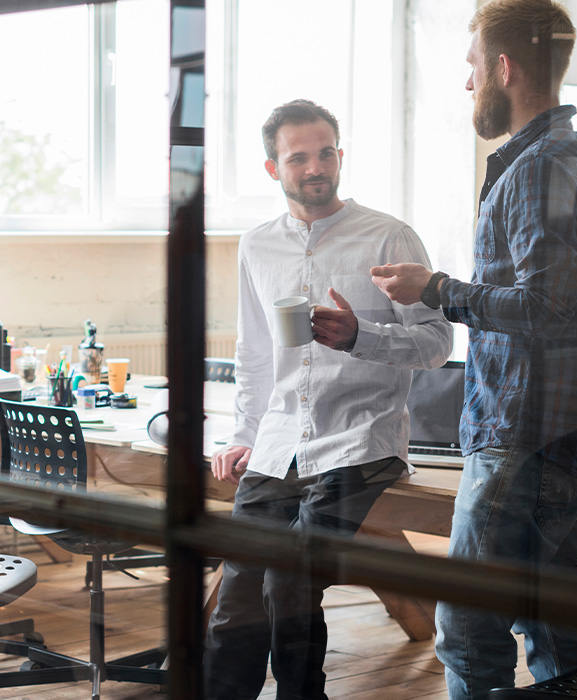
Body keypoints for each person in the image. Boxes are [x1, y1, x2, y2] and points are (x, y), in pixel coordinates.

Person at [369, 1, 577, 698]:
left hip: (524, 438)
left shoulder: (540, 168)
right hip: (560, 434)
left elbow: (544, 308)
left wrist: (436, 289)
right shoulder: (571, 160)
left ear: (504, 68)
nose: (467, 82)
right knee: (551, 625)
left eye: (473, 66)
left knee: (468, 632)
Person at [203, 99, 453, 700]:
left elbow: (438, 342)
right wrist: (244, 433)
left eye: (325, 154)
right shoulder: (256, 245)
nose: (315, 167)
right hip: (279, 442)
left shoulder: (388, 236)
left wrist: (362, 336)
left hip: (361, 441)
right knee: (238, 594)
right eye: (298, 158)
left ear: (340, 156)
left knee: (289, 578)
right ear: (273, 168)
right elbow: (254, 351)